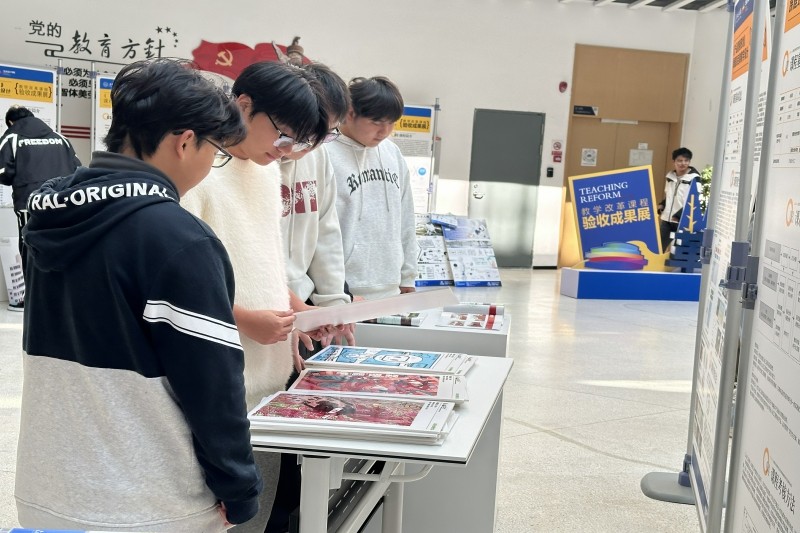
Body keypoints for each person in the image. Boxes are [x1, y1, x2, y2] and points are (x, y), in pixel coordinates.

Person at [15, 58, 262, 531]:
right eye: (216, 151)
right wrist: (239, 488)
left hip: (47, 489)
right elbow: (212, 386)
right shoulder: (179, 239)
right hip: (149, 503)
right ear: (184, 141)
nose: (211, 165)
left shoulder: (50, 215)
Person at [180, 60, 331, 533]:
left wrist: (299, 309)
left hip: (271, 374)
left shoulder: (265, 171)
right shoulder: (199, 171)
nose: (285, 150)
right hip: (221, 374)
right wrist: (245, 319)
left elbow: (264, 261)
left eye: (296, 143)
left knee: (258, 511)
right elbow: (181, 284)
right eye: (283, 135)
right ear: (243, 105)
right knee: (217, 513)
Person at [326, 75, 417, 300]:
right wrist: (331, 290)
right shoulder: (325, 153)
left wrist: (408, 276)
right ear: (350, 113)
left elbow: (406, 216)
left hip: (391, 286)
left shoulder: (392, 153)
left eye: (391, 123)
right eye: (376, 122)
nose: (385, 131)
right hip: (343, 289)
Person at [0, 105, 81, 311]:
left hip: (30, 202)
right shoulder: (60, 138)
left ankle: (33, 298)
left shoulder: (12, 137)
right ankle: (62, 297)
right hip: (62, 202)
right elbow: (77, 168)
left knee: (30, 246)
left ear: (10, 122)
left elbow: (3, 172)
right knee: (62, 244)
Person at [658, 147, 700, 252]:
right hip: (667, 220)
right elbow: (670, 195)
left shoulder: (694, 178)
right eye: (680, 160)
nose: (683, 163)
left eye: (686, 160)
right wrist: (662, 204)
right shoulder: (670, 177)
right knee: (658, 248)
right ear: (674, 161)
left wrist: (679, 215)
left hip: (683, 221)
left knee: (678, 251)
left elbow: (695, 200)